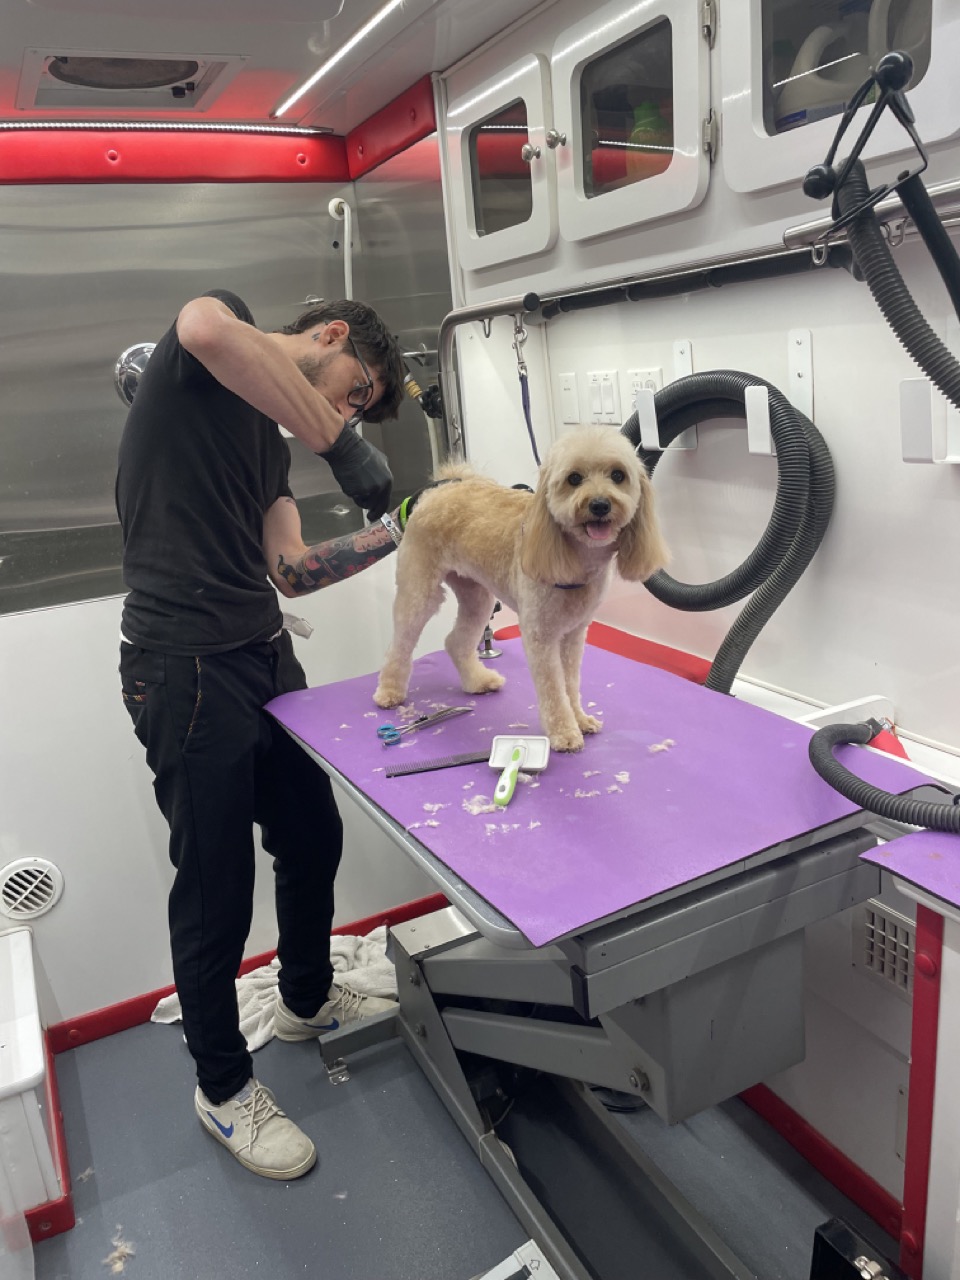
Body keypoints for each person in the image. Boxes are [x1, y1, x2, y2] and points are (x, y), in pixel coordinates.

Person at [116, 289, 421, 1181]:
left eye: (356, 409)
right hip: (183, 667)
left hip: (261, 654)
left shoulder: (265, 443)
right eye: (354, 391)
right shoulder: (215, 351)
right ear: (329, 338)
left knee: (311, 836)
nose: (344, 411)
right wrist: (341, 441)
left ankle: (303, 1000)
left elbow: (289, 570)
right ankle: (221, 1089)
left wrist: (401, 529)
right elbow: (208, 327)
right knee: (215, 887)